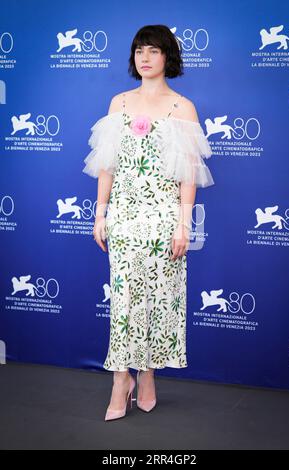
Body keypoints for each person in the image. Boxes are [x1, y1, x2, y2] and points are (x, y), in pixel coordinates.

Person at [82, 24, 215, 421]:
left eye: (154, 50)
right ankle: (120, 379)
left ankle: (148, 374)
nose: (145, 57)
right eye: (140, 50)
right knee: (124, 300)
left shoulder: (183, 108)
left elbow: (188, 176)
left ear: (167, 57)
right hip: (123, 215)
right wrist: (100, 212)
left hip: (163, 219)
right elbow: (106, 164)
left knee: (159, 299)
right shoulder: (118, 103)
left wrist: (183, 225)